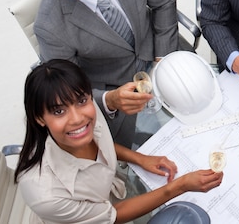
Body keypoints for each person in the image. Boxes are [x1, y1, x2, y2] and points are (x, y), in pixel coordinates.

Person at [15, 59, 223, 224]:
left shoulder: (84, 111)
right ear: (39, 118)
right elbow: (113, 215)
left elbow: (99, 141)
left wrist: (140, 158)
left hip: (113, 190)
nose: (77, 118)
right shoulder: (46, 195)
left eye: (81, 101)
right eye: (59, 111)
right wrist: (180, 186)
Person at [34, 0, 180, 148]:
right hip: (118, 98)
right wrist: (109, 100)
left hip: (162, 58)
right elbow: (66, 90)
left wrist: (161, 59)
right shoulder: (49, 24)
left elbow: (164, 1)